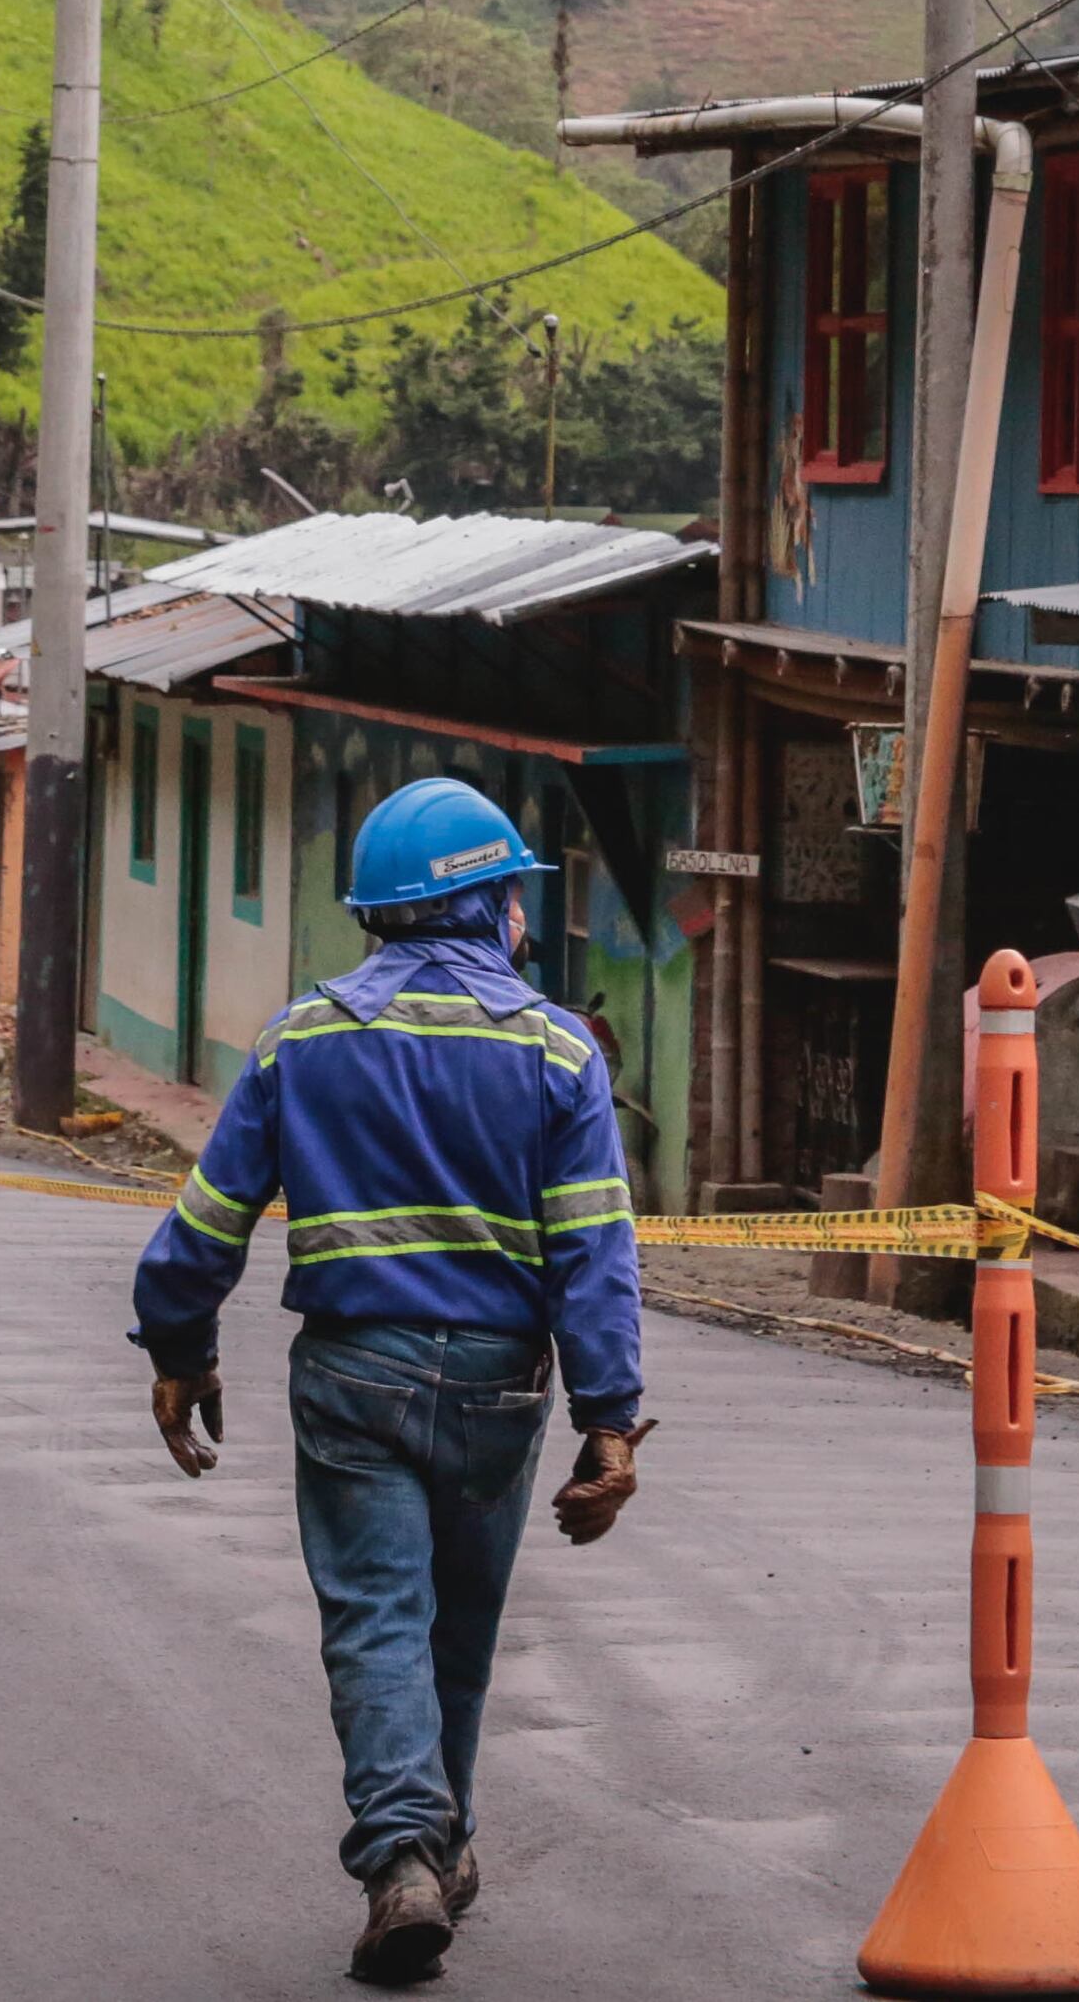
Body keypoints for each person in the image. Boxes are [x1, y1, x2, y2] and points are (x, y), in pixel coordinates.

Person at [130, 778, 651, 1987]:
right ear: (490, 905)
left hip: (352, 1374)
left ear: (378, 915)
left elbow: (208, 1217)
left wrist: (178, 1346)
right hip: (498, 1386)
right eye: (513, 893)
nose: (520, 912)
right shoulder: (552, 1047)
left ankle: (407, 1857)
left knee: (377, 1623)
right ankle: (434, 1845)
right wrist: (609, 1422)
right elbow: (593, 1251)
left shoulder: (302, 1036)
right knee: (455, 1631)